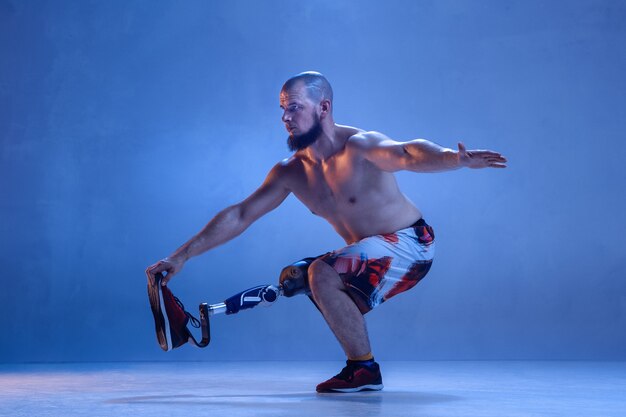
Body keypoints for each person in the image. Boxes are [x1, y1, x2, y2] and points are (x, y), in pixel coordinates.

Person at [145, 71, 507, 393]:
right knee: (298, 276)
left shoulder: (359, 146)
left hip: (413, 244)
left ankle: (362, 369)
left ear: (323, 108)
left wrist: (453, 159)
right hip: (370, 251)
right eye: (282, 109)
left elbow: (408, 153)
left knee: (321, 272)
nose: (286, 118)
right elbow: (240, 214)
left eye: (295, 108)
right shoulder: (291, 171)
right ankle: (204, 317)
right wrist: (181, 256)